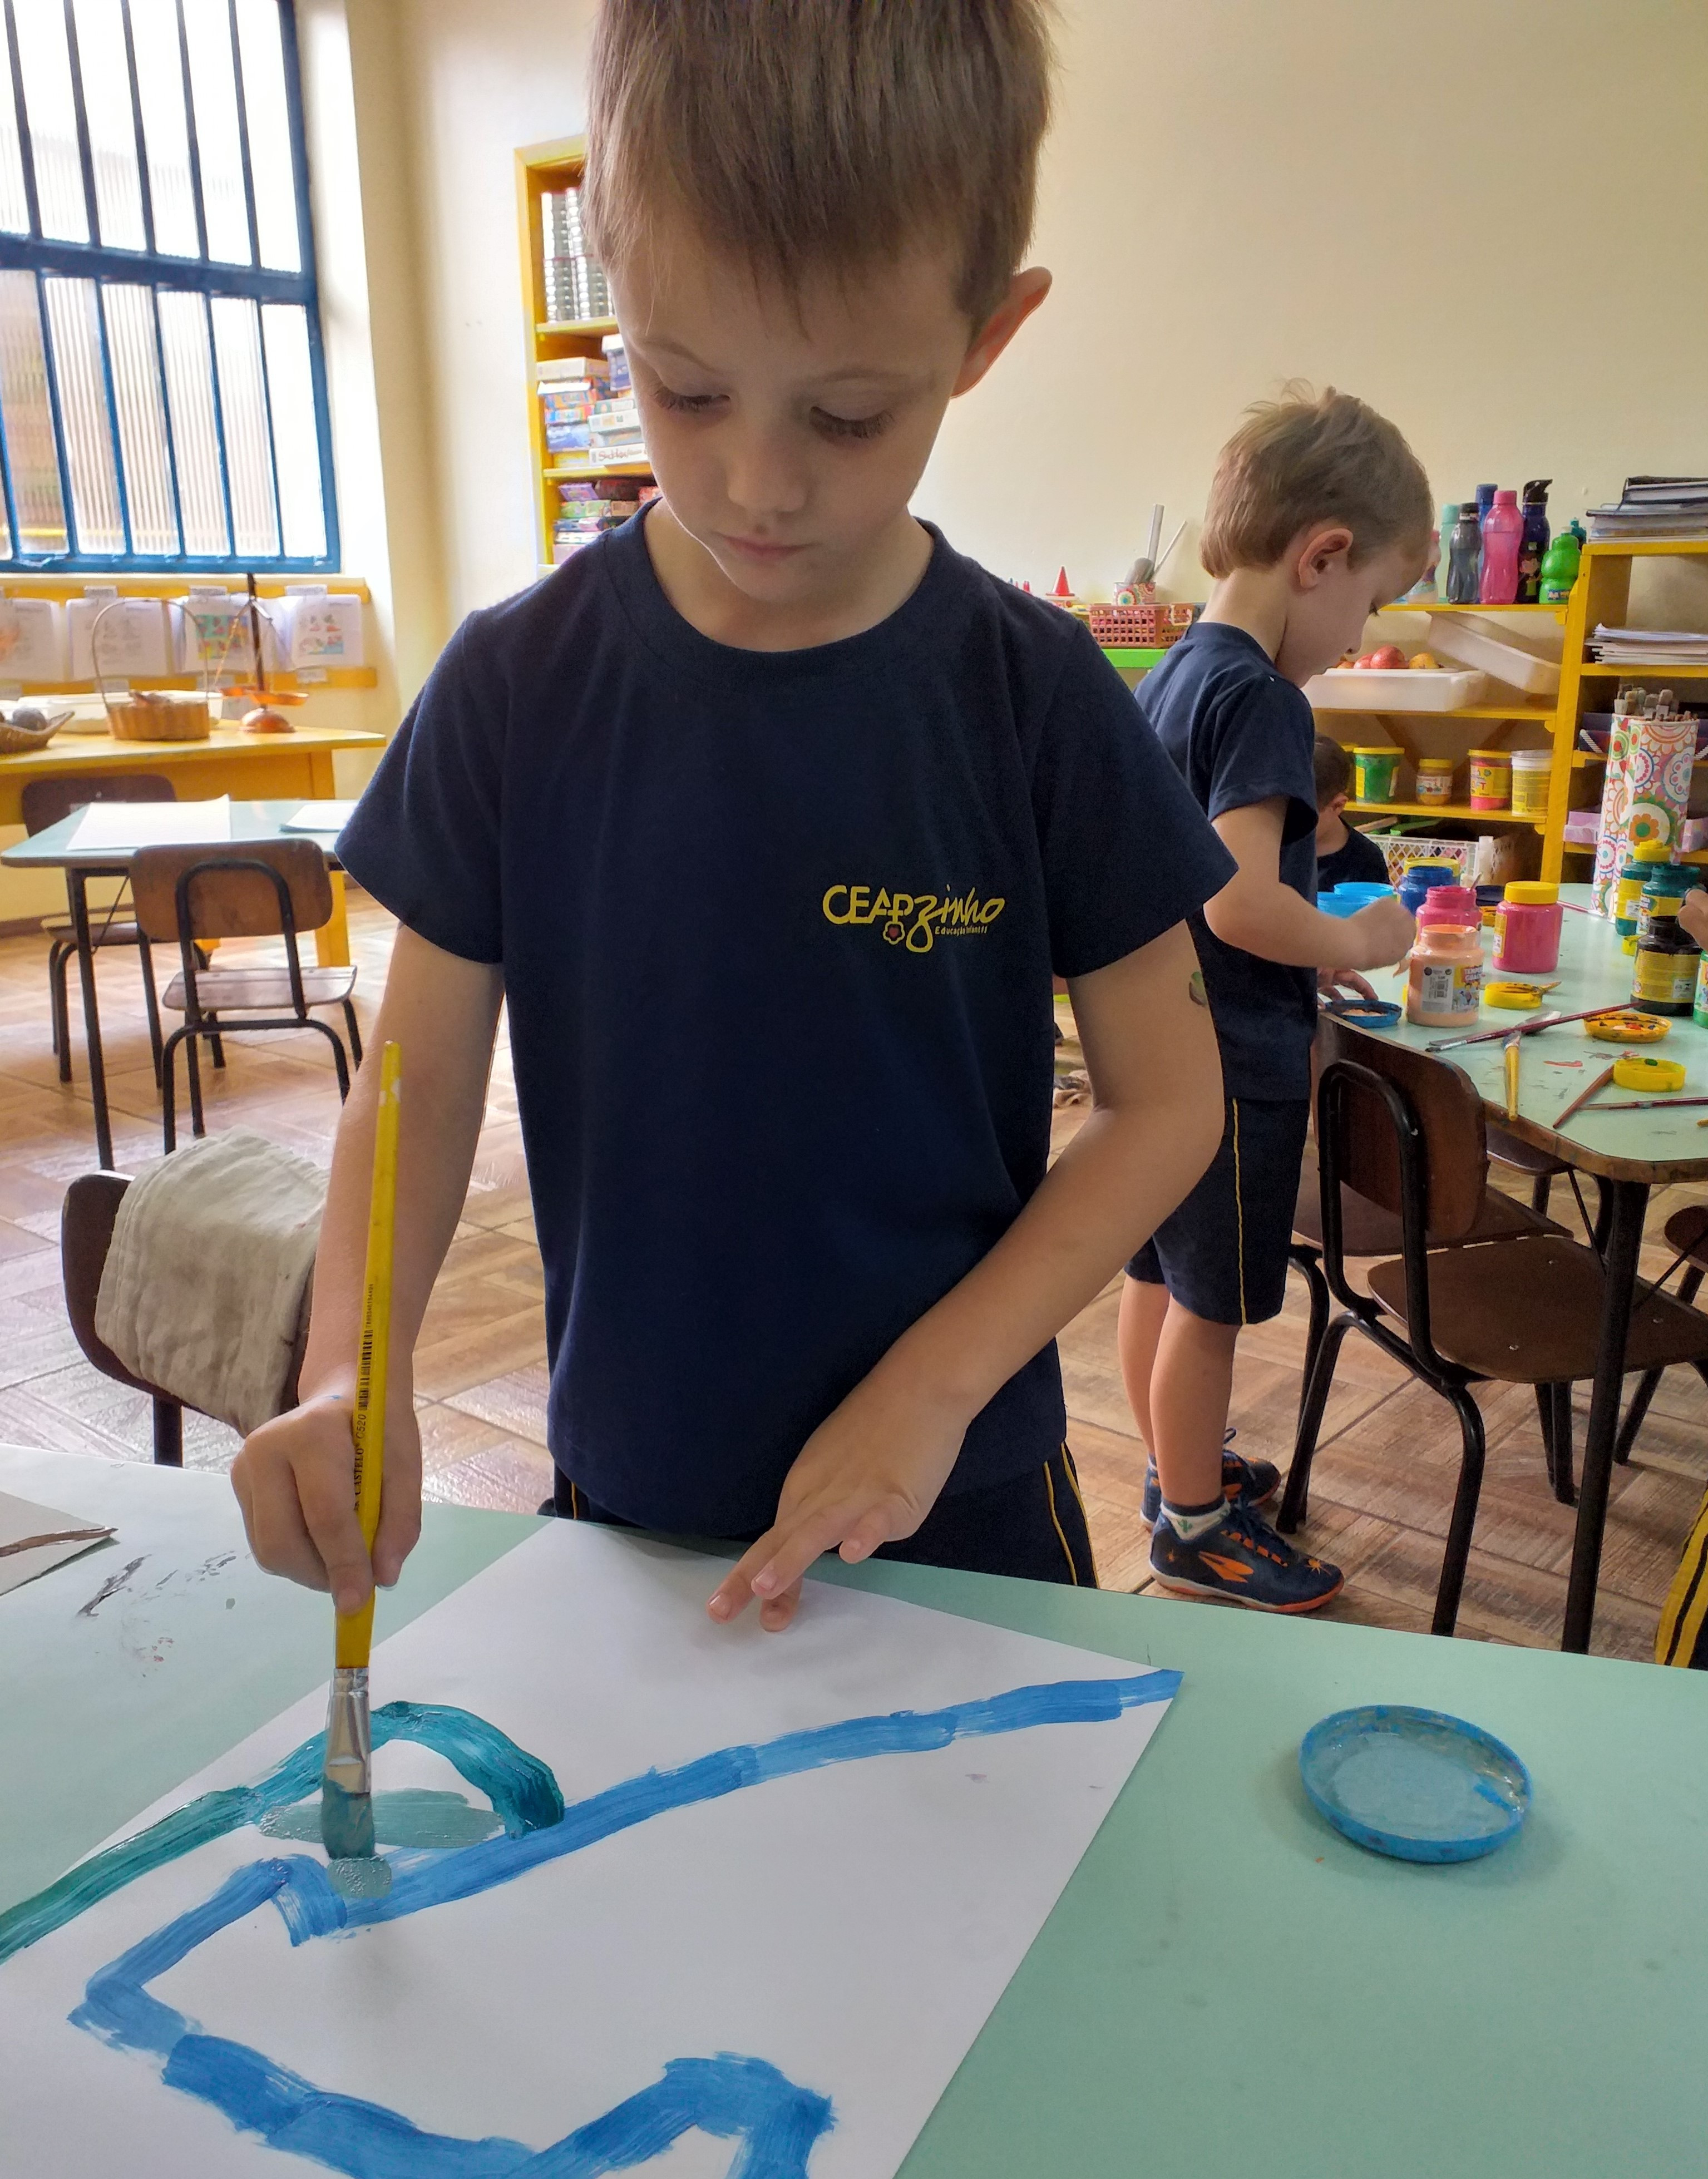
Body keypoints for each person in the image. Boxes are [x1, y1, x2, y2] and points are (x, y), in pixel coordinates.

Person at [231, 0, 1236, 1635]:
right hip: (637, 1494)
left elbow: (1168, 1102)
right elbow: (412, 1084)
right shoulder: (514, 684)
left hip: (963, 1495)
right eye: (686, 389)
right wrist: (351, 1366)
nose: (759, 484)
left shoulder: (1033, 690)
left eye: (846, 415)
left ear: (986, 334)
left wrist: (933, 1386)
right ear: (613, 286)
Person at [1118, 387, 1429, 1613]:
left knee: (1156, 1277)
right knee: (1211, 1309)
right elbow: (1244, 898)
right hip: (1233, 1070)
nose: (1357, 634)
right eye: (1372, 603)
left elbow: (1197, 891)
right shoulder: (1263, 698)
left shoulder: (1170, 675)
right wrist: (1355, 933)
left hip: (1158, 1050)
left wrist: (1309, 954)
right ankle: (1197, 1528)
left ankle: (1171, 1471)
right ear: (1323, 555)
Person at [1312, 734, 1393, 895]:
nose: (1282, 826)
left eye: (1297, 819)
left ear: (1337, 806)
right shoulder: (1272, 847)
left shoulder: (1365, 860)